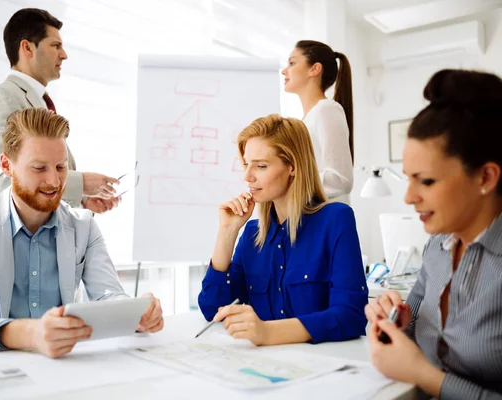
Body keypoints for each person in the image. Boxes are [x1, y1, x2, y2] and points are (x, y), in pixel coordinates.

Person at [0, 108, 164, 358]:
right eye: (39, 168)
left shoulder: (84, 226)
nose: (55, 182)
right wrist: (31, 334)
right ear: (6, 166)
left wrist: (135, 314)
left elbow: (108, 295)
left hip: (58, 369)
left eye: (60, 167)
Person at [365, 70, 502, 399]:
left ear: (485, 176)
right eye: (408, 179)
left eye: (425, 181)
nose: (409, 197)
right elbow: (412, 322)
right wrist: (394, 321)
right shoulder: (437, 248)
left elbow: (423, 370)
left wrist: (422, 374)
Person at [198, 114, 367, 345]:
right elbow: (213, 309)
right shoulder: (251, 234)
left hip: (322, 365)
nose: (247, 176)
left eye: (261, 166)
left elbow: (351, 316)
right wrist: (227, 232)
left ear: (293, 167)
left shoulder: (336, 219)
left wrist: (268, 333)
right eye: (247, 164)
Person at [0, 8, 117, 214]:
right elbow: (3, 182)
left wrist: (82, 200)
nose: (64, 55)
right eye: (55, 45)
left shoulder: (39, 101)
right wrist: (82, 184)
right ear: (27, 48)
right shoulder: (2, 98)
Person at [281, 40, 354, 203]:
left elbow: (341, 180)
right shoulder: (307, 119)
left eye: (292, 63)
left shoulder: (326, 109)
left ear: (314, 69)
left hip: (325, 221)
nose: (284, 71)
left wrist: (289, 183)